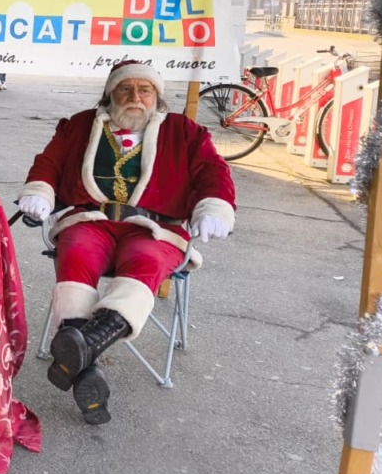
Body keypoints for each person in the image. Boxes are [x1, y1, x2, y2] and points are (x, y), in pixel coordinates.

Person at [16, 60, 235, 425]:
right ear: (109, 94)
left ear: (157, 97)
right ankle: (86, 367)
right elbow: (49, 162)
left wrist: (214, 207)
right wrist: (40, 190)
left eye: (144, 90)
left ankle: (80, 354)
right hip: (91, 220)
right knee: (76, 254)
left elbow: (214, 171)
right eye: (125, 89)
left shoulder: (185, 131)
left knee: (146, 260)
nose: (135, 97)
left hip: (155, 229)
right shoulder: (80, 125)